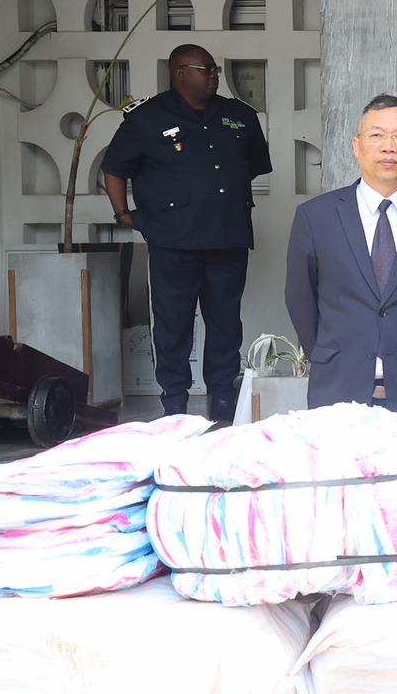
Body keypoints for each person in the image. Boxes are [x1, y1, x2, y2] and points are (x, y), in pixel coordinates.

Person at [102, 44, 271, 421]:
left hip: (227, 238)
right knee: (173, 324)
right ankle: (175, 402)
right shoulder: (147, 118)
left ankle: (223, 400)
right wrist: (123, 213)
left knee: (226, 323)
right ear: (180, 73)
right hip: (173, 241)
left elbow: (252, 165)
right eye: (205, 69)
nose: (214, 76)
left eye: (215, 70)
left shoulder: (239, 116)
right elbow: (114, 167)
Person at [284, 94, 397, 419]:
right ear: (356, 145)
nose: (389, 147)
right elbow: (300, 298)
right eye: (376, 135)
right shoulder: (316, 217)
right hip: (338, 386)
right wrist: (328, 354)